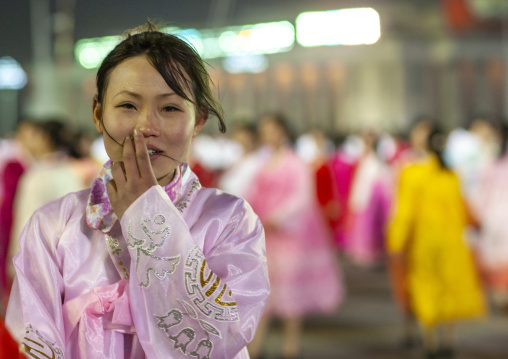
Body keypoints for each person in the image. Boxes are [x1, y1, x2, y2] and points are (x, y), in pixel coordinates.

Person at [5, 22, 269, 359]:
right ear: (98, 114)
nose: (146, 127)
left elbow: (222, 336)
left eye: (170, 108)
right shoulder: (54, 224)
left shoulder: (229, 221)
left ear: (199, 120)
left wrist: (145, 212)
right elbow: (31, 338)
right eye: (128, 106)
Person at [245, 114, 343, 359]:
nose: (267, 134)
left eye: (272, 129)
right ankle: (255, 348)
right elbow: (251, 192)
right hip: (266, 234)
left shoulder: (294, 162)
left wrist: (278, 217)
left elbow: (302, 197)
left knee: (290, 292)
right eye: (264, 129)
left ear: (283, 132)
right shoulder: (263, 162)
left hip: (290, 237)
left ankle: (291, 347)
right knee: (262, 289)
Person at [387, 127, 485, 359]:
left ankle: (430, 341)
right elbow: (463, 209)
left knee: (425, 287)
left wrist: (396, 241)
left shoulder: (411, 173)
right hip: (452, 242)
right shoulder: (451, 174)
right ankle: (450, 340)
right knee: (449, 287)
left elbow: (405, 213)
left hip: (425, 242)